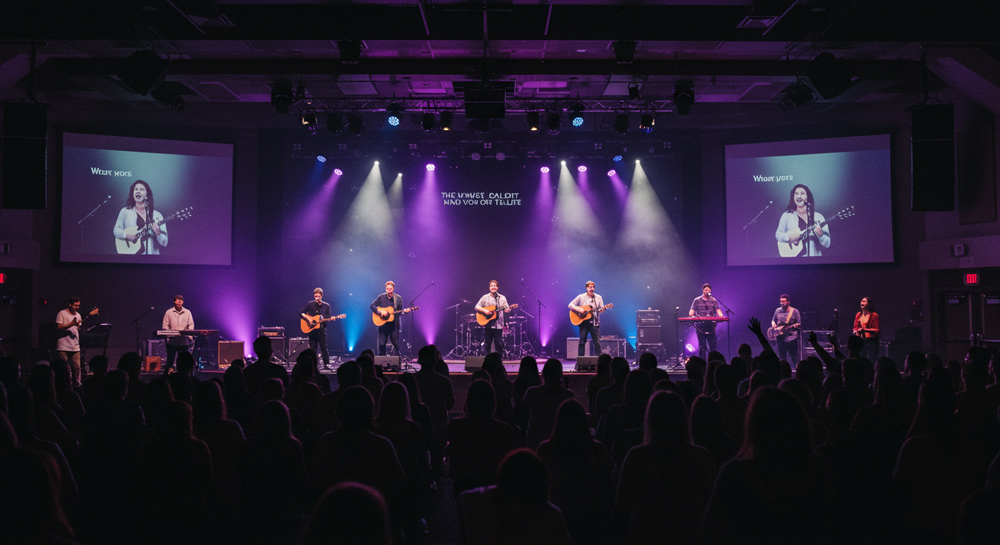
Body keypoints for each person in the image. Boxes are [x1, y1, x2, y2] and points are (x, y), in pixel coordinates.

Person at [113, 179, 167, 255]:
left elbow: (164, 243)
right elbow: (116, 230)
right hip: (131, 256)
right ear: (132, 193)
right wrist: (126, 235)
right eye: (136, 189)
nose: (138, 191)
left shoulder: (157, 215)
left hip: (151, 257)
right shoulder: (125, 211)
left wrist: (158, 233)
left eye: (141, 189)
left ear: (147, 194)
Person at [775, 183, 830, 257]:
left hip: (814, 260)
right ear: (793, 197)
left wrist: (821, 236)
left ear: (808, 197)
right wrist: (789, 238)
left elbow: (827, 244)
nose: (799, 196)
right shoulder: (787, 215)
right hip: (794, 260)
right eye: (796, 194)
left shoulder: (819, 217)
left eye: (802, 193)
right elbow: (778, 234)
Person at [370, 281, 410, 356]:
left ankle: (397, 360)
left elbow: (400, 311)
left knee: (396, 344)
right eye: (387, 288)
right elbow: (372, 306)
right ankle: (381, 361)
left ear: (393, 288)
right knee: (382, 344)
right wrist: (380, 312)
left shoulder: (398, 298)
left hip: (394, 324)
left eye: (390, 288)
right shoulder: (381, 297)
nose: (388, 290)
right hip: (383, 325)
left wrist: (405, 311)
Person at [568, 281, 608, 358]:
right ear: (586, 288)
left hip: (594, 323)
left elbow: (600, 310)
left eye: (593, 287)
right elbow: (570, 305)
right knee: (582, 342)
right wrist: (579, 310)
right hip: (584, 324)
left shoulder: (598, 297)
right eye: (590, 287)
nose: (592, 289)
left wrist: (604, 308)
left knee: (597, 342)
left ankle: (597, 361)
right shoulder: (581, 297)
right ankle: (580, 361)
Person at [55, 296, 84, 387]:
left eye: (78, 305)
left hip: (75, 346)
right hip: (63, 346)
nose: (77, 307)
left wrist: (78, 327)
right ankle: (64, 387)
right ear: (70, 304)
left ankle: (77, 387)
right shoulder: (61, 313)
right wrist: (71, 324)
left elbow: (77, 328)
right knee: (64, 370)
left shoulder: (78, 315)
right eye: (75, 305)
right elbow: (59, 327)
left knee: (77, 369)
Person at [476, 280, 510, 357]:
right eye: (491, 286)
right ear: (489, 288)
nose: (493, 287)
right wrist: (485, 310)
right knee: (487, 343)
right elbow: (477, 307)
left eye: (495, 286)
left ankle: (499, 360)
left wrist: (507, 310)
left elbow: (506, 309)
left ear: (497, 287)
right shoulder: (485, 297)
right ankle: (487, 360)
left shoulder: (502, 298)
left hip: (499, 324)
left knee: (499, 343)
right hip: (488, 324)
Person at [689, 283, 723, 360]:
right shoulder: (697, 300)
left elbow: (719, 311)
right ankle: (702, 362)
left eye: (708, 290)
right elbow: (691, 313)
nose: (706, 291)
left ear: (710, 290)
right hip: (700, 327)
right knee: (702, 346)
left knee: (713, 346)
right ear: (703, 290)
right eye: (705, 290)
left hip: (711, 327)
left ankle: (713, 362)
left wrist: (722, 317)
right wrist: (693, 316)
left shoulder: (714, 300)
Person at [301, 288, 333, 369]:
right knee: (313, 349)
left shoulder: (326, 306)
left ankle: (326, 364)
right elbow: (301, 313)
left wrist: (324, 319)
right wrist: (308, 319)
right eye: (315, 296)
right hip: (312, 331)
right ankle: (313, 365)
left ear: (321, 296)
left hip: (322, 330)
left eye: (318, 296)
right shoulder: (310, 304)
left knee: (324, 348)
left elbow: (328, 317)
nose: (317, 298)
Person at [162, 294, 194, 373]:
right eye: (177, 300)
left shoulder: (187, 312)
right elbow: (165, 326)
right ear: (174, 302)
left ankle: (184, 374)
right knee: (170, 360)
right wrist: (171, 333)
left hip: (183, 341)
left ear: (183, 302)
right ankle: (168, 375)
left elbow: (191, 324)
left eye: (181, 300)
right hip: (172, 341)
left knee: (183, 360)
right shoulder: (169, 312)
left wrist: (189, 335)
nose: (179, 302)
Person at [770, 293, 801, 363]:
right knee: (782, 358)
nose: (782, 303)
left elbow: (799, 324)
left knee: (794, 357)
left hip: (791, 338)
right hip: (780, 337)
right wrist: (774, 325)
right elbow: (773, 320)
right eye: (781, 301)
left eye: (784, 301)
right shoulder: (777, 310)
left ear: (788, 302)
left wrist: (790, 327)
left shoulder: (795, 311)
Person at [853, 296, 880, 362]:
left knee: (871, 360)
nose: (862, 303)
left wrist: (865, 330)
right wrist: (855, 332)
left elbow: (877, 329)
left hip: (871, 341)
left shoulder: (874, 315)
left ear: (869, 304)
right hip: (861, 341)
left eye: (864, 301)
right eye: (861, 301)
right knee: (861, 360)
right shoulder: (858, 315)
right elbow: (855, 327)